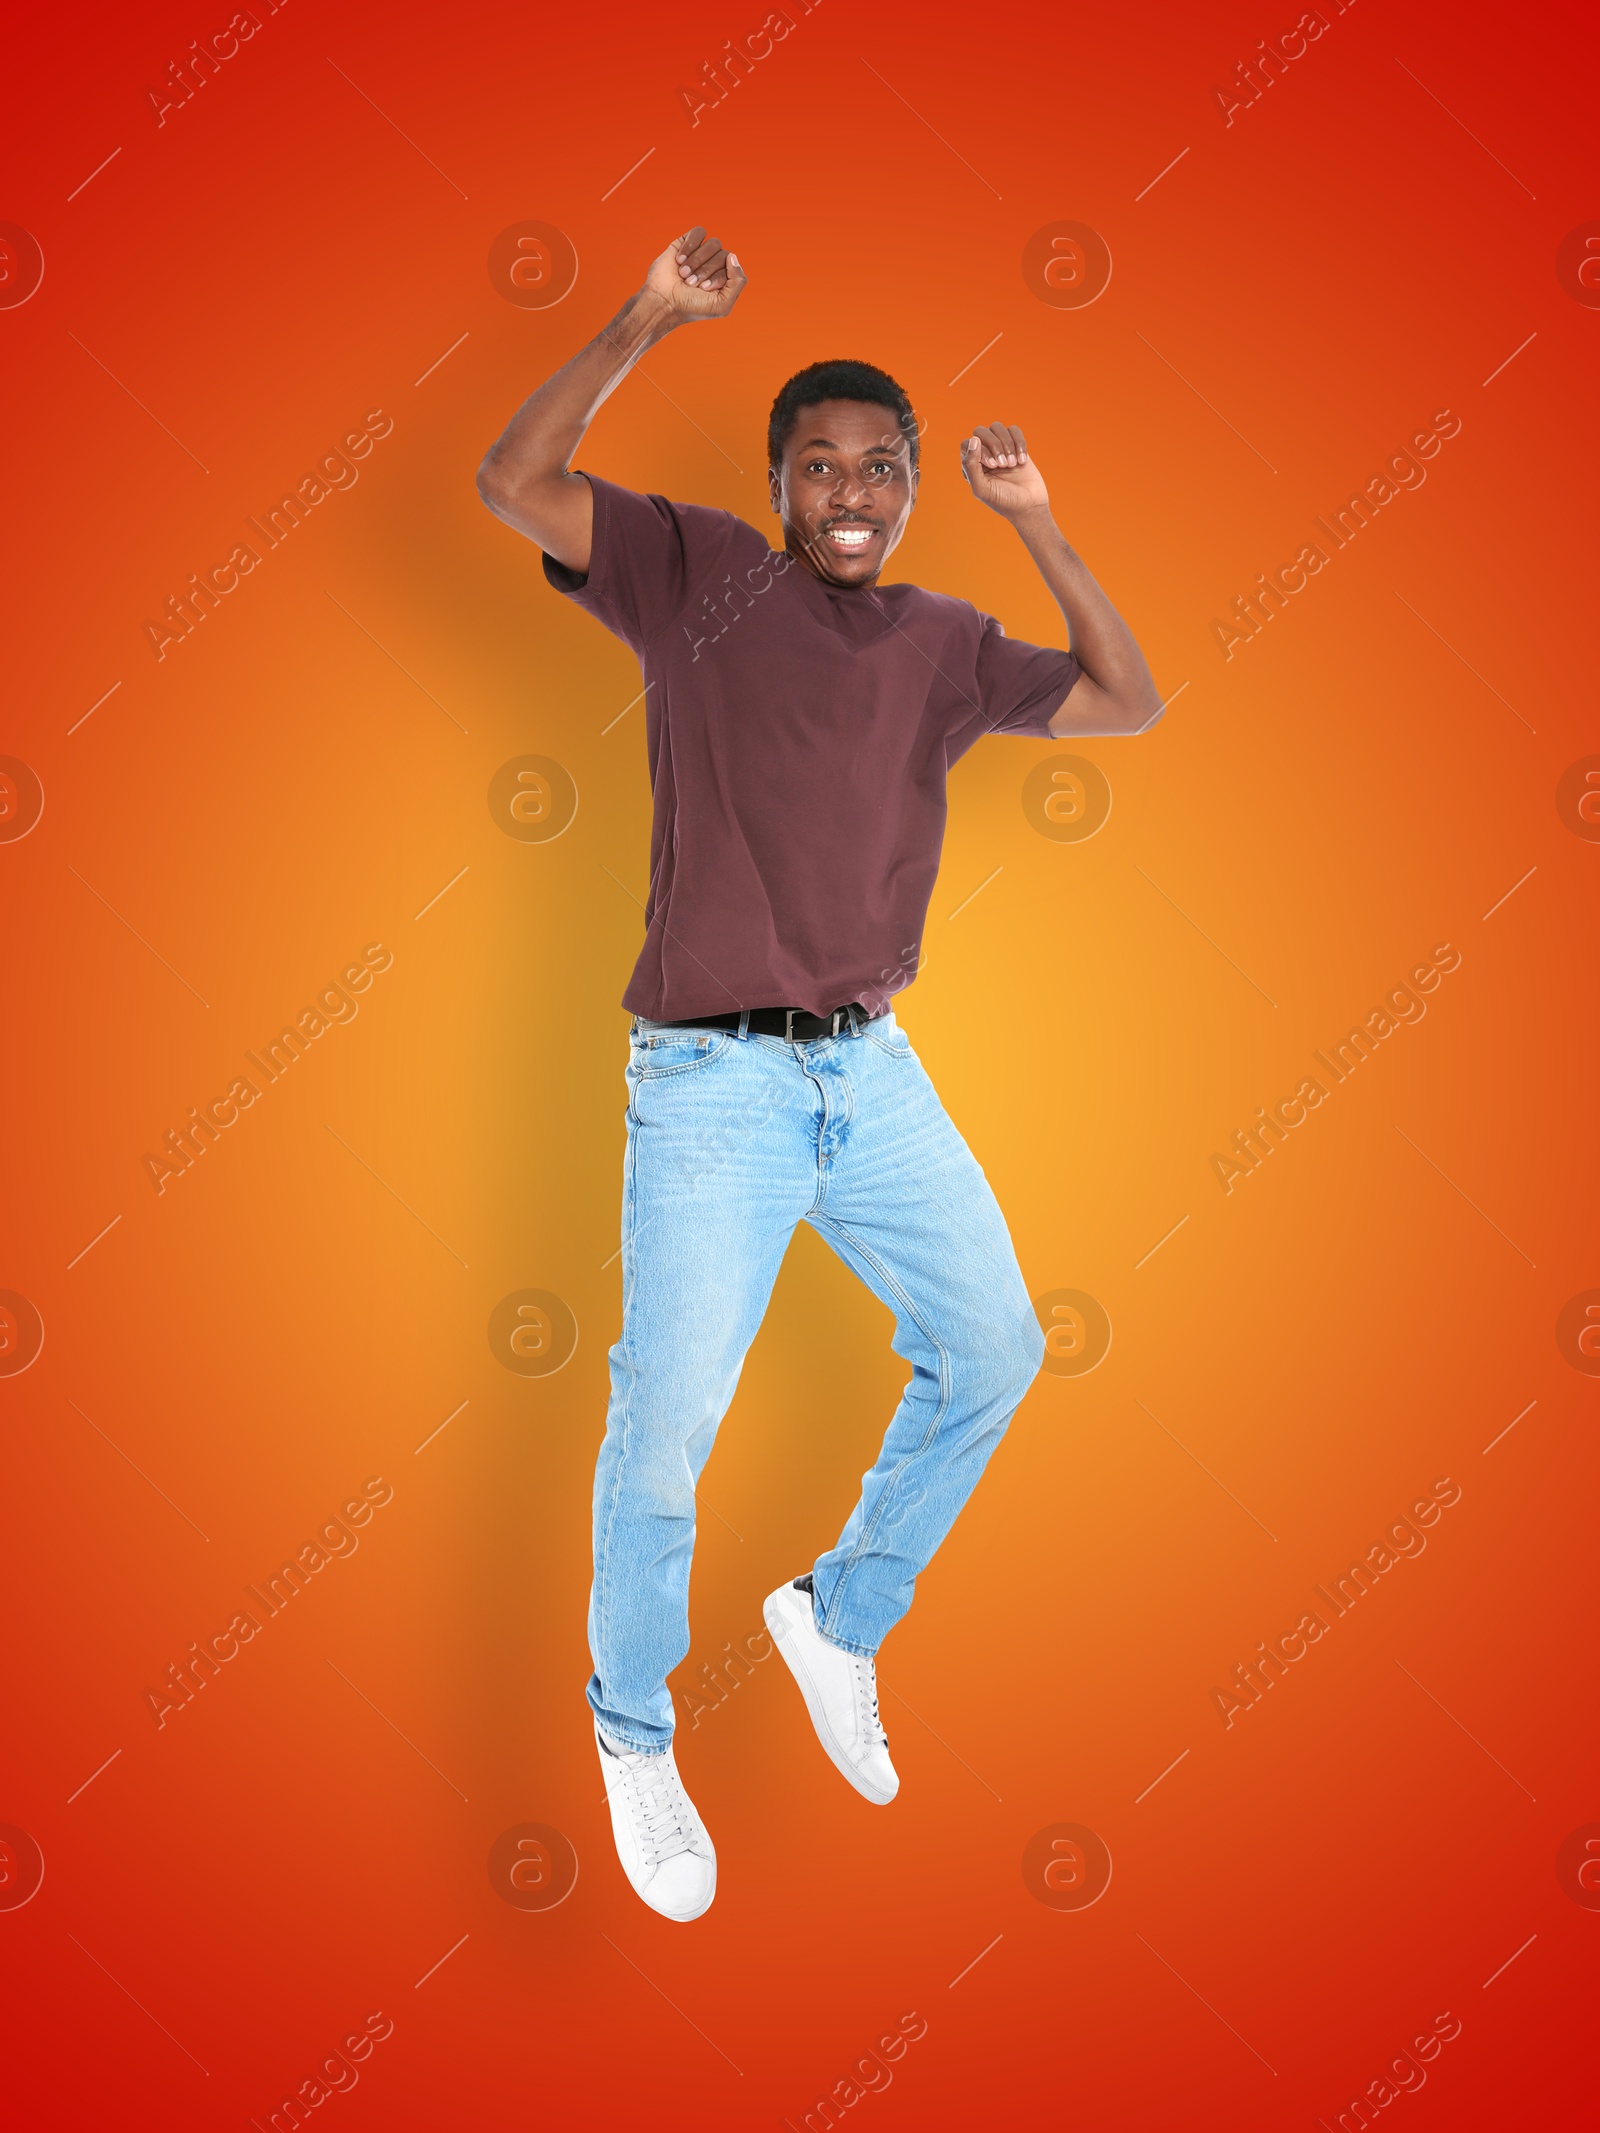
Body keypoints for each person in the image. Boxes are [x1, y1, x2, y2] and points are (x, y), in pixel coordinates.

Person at [477, 226, 1165, 1923]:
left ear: (915, 484)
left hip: (874, 1078)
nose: (848, 489)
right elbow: (512, 477)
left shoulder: (944, 637)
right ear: (778, 478)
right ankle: (634, 1733)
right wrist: (646, 314)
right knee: (664, 1437)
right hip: (709, 1087)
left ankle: (836, 1616)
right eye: (818, 463)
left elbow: (1128, 699)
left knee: (999, 1346)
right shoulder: (695, 574)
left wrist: (1038, 526)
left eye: (880, 468)